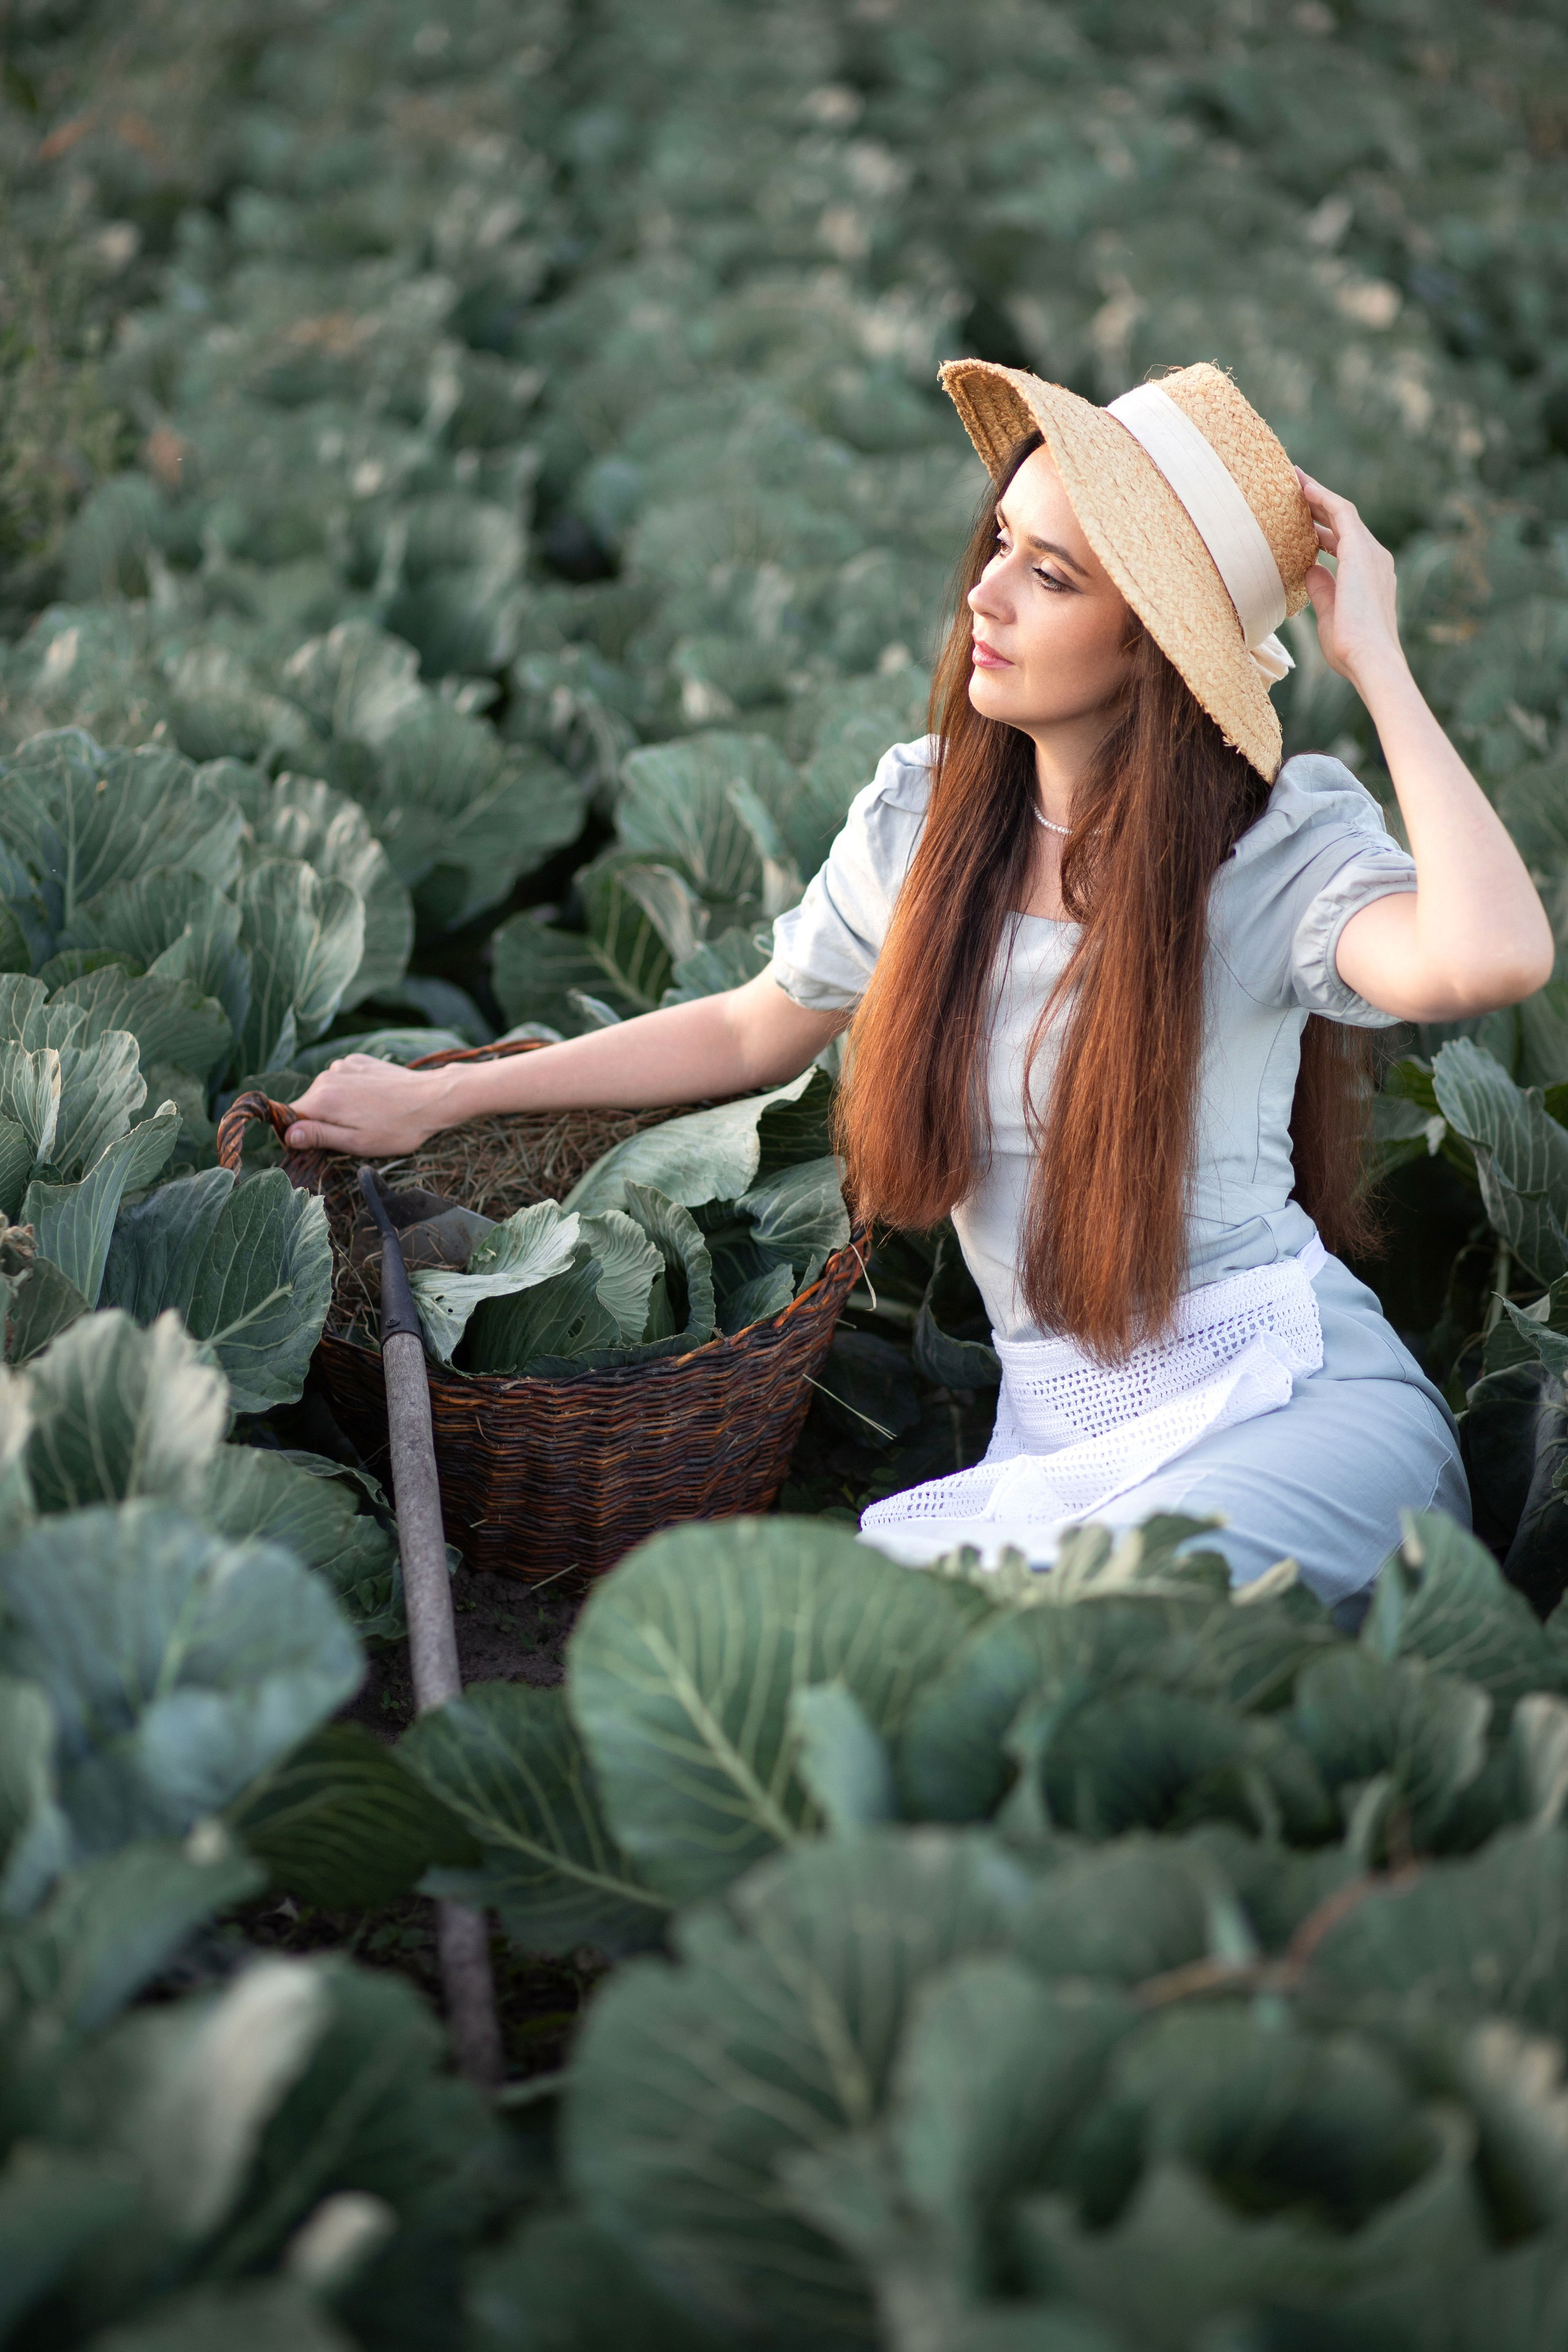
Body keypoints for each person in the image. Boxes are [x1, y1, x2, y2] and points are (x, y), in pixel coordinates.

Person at [283, 360, 1551, 1606]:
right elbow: (750, 1027)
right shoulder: (925, 820)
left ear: (1154, 647)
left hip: (1286, 1405)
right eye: (999, 542)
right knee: (909, 1635)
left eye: (1048, 575)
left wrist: (1375, 661)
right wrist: (446, 1101)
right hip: (1064, 1437)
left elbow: (1491, 957)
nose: (985, 596)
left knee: (1135, 1610)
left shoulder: (1266, 856)